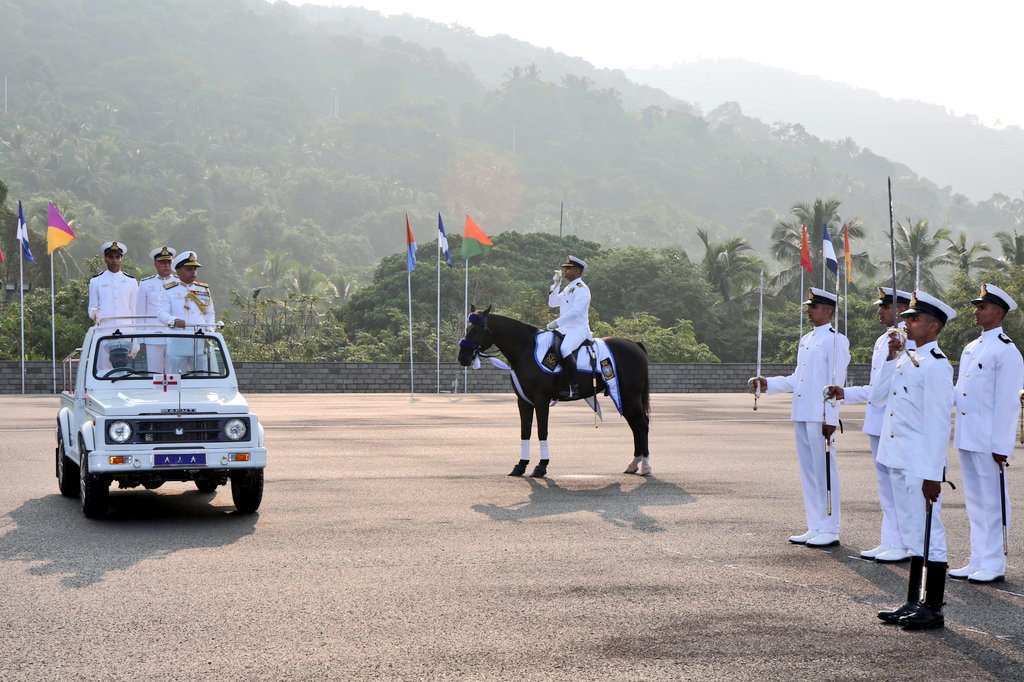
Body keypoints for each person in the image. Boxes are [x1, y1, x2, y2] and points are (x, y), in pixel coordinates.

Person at [870, 291, 956, 630]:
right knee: (910, 531)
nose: (908, 322)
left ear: (933, 326)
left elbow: (938, 424)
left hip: (919, 463)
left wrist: (933, 474)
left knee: (929, 533)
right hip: (897, 458)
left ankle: (932, 606)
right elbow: (877, 399)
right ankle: (912, 600)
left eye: (914, 318)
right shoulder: (905, 358)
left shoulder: (936, 365)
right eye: (907, 317)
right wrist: (891, 357)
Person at [750, 287, 850, 547]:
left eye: (813, 306)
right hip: (803, 412)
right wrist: (767, 384)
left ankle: (830, 528)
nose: (808, 310)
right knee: (809, 472)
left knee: (825, 471)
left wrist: (831, 418)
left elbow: (835, 383)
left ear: (828, 310)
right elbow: (798, 379)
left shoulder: (836, 341)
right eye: (809, 306)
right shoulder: (807, 340)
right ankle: (815, 524)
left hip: (820, 416)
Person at [830, 287, 915, 563]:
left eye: (884, 306)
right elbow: (877, 387)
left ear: (901, 308)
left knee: (899, 485)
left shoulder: (907, 339)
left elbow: (898, 385)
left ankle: (903, 543)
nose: (880, 311)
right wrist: (848, 393)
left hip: (896, 421)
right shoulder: (884, 340)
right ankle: (889, 540)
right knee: (885, 485)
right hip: (877, 420)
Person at [950, 284, 1024, 584]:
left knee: (993, 500)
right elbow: (960, 392)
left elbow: (1008, 403)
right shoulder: (972, 347)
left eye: (982, 307)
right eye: (977, 306)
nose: (976, 311)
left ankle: (993, 562)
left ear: (999, 312)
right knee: (975, 500)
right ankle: (977, 557)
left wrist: (1001, 445)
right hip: (968, 435)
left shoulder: (1006, 351)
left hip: (989, 440)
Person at [157, 250, 216, 374]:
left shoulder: (203, 289)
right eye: (189, 269)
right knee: (177, 380)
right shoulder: (168, 289)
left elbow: (210, 313)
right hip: (178, 342)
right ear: (178, 271)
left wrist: (210, 331)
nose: (193, 272)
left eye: (195, 269)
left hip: (199, 342)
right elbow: (162, 313)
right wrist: (174, 320)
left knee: (201, 378)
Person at [546, 255, 593, 398]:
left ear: (577, 271)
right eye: (565, 269)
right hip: (564, 329)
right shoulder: (568, 287)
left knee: (565, 348)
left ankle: (574, 387)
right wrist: (556, 284)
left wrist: (556, 322)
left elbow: (576, 312)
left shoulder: (582, 289)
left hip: (578, 329)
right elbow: (552, 303)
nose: (565, 271)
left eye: (568, 269)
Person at [133, 246, 178, 374]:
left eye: (168, 262)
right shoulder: (146, 284)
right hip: (153, 334)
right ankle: (155, 394)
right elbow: (140, 313)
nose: (166, 265)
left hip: (174, 335)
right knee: (154, 373)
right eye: (162, 262)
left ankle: (173, 395)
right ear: (155, 264)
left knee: (174, 373)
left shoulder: (179, 283)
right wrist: (141, 339)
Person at [87, 241, 138, 324]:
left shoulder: (131, 281)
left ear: (121, 260)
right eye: (111, 257)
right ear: (105, 259)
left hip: (126, 330)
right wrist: (96, 316)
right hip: (105, 330)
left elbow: (135, 309)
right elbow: (93, 307)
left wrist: (135, 332)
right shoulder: (96, 281)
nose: (114, 260)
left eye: (117, 257)